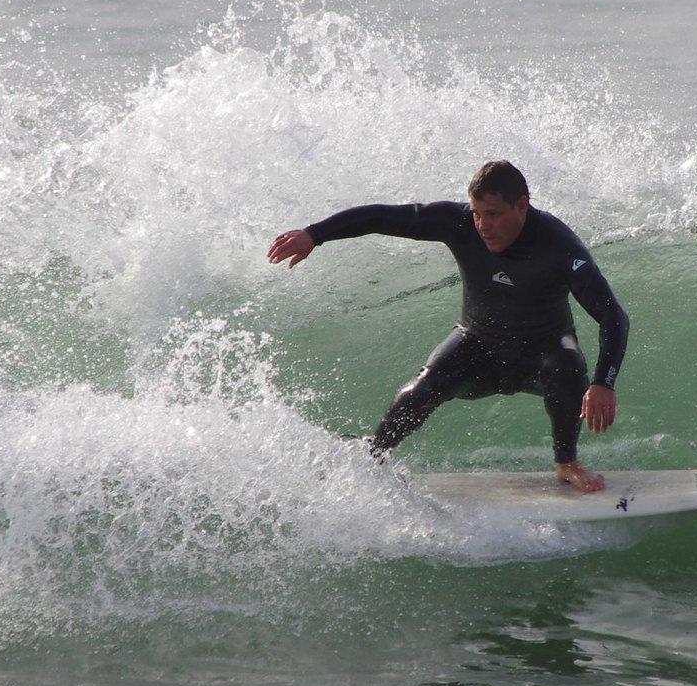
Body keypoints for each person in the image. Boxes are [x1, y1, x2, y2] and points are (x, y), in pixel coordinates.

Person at [267, 160, 629, 492]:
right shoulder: (458, 223)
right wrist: (315, 234)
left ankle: (566, 463)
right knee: (422, 388)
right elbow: (381, 217)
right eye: (476, 213)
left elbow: (613, 315)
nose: (483, 226)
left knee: (570, 369)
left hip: (542, 352)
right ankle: (371, 458)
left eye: (493, 214)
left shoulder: (560, 245)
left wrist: (603, 383)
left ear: (522, 205)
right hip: (478, 346)